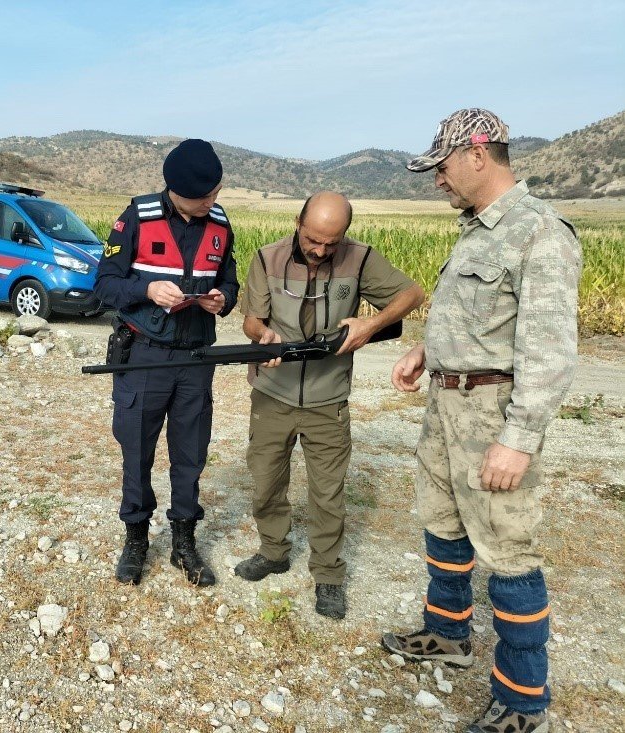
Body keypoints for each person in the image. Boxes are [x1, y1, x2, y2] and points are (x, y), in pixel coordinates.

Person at [381, 109, 580, 733]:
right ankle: (448, 635)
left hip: (492, 417)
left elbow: (547, 354)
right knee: (442, 525)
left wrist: (517, 441)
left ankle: (524, 702)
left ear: (476, 153)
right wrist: (428, 352)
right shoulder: (479, 230)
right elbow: (483, 321)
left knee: (509, 550)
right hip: (447, 408)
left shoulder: (540, 233)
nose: (437, 179)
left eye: (441, 166)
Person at [235, 191, 424, 618]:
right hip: (273, 393)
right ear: (298, 222)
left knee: (328, 494)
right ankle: (273, 551)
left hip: (329, 400)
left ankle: (328, 576)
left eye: (331, 243)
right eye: (313, 239)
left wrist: (370, 324)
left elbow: (412, 294)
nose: (321, 250)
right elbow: (251, 317)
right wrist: (260, 334)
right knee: (265, 481)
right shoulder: (267, 258)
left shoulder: (360, 259)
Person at [95, 139, 239, 587]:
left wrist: (223, 299)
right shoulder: (136, 217)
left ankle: (184, 542)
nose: (211, 203)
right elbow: (105, 284)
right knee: (137, 450)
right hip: (144, 357)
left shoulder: (220, 222)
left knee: (191, 454)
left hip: (196, 358)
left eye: (215, 193)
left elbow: (229, 277)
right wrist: (148, 290)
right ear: (174, 191)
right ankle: (136, 539)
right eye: (202, 198)